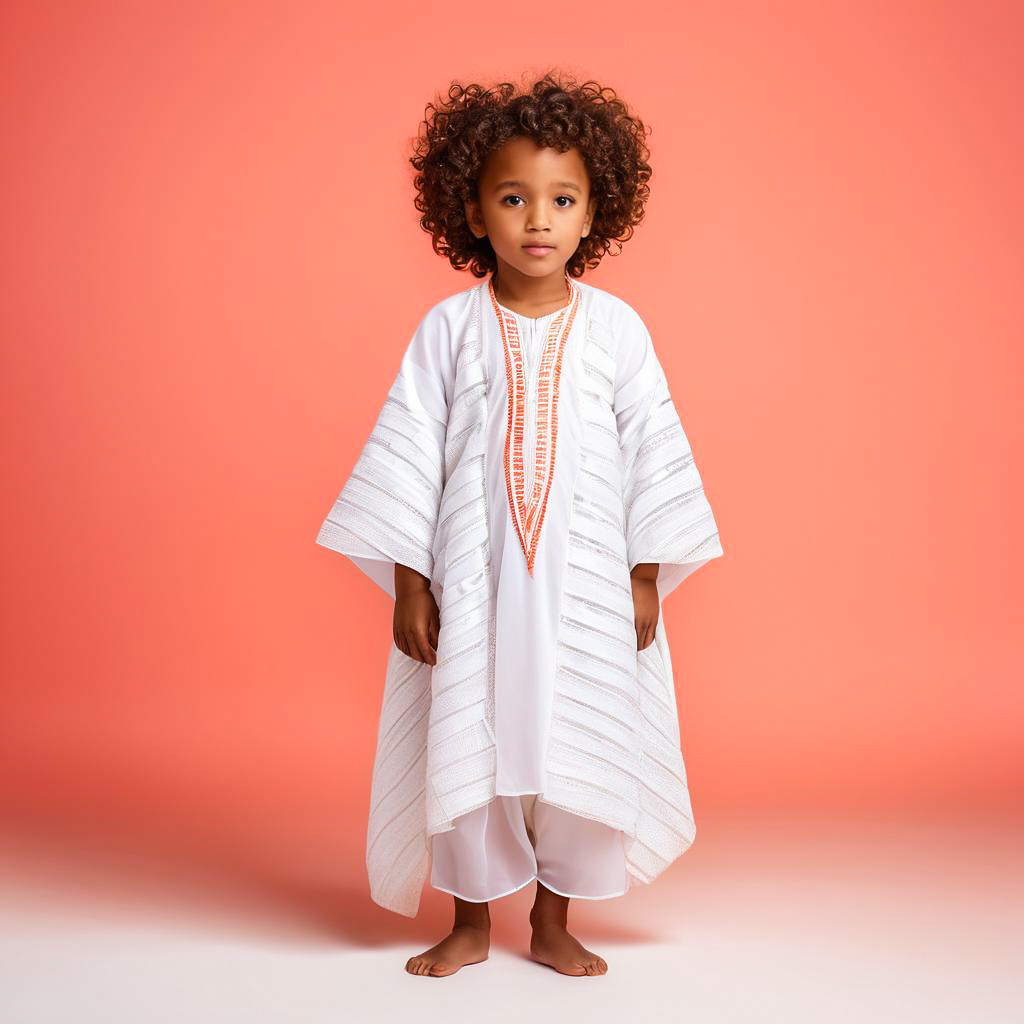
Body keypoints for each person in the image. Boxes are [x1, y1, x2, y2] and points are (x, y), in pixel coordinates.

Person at [315, 72, 724, 977]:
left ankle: (551, 917)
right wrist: (411, 583)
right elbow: (410, 450)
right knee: (471, 728)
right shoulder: (449, 329)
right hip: (477, 582)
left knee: (578, 730)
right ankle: (469, 920)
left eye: (562, 199)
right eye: (513, 197)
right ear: (471, 210)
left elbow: (654, 447)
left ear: (592, 215)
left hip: (581, 586)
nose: (538, 219)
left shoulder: (618, 331)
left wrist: (645, 572)